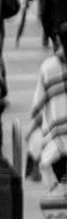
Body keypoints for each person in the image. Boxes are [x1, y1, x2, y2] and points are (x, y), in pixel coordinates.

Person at [27, 21, 67, 186]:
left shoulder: (49, 68)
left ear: (57, 39)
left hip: (58, 145)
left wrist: (30, 134)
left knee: (62, 191)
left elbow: (38, 106)